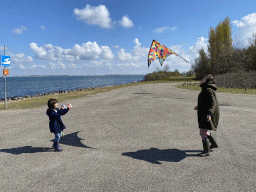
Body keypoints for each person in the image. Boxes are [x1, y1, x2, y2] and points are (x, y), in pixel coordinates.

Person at [194, 74, 219, 157]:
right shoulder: (206, 89)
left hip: (207, 114)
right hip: (204, 112)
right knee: (204, 131)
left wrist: (209, 113)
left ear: (208, 81)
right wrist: (199, 106)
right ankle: (214, 144)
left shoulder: (208, 90)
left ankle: (206, 151)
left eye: (205, 79)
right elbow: (206, 101)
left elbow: (213, 103)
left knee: (202, 132)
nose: (203, 80)